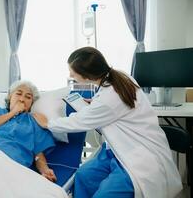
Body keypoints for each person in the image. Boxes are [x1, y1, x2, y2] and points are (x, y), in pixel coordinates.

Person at [33, 47, 182, 198]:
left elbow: (79, 122)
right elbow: (114, 106)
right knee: (83, 176)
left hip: (136, 156)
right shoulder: (120, 77)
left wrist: (48, 123)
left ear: (87, 75)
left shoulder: (108, 99)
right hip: (115, 149)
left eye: (73, 72)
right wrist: (95, 103)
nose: (70, 75)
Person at [0, 80, 57, 182]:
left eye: (28, 97)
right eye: (18, 94)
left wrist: (45, 170)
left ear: (31, 104)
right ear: (10, 97)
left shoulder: (33, 121)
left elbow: (38, 154)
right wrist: (13, 112)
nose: (22, 99)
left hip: (9, 162)